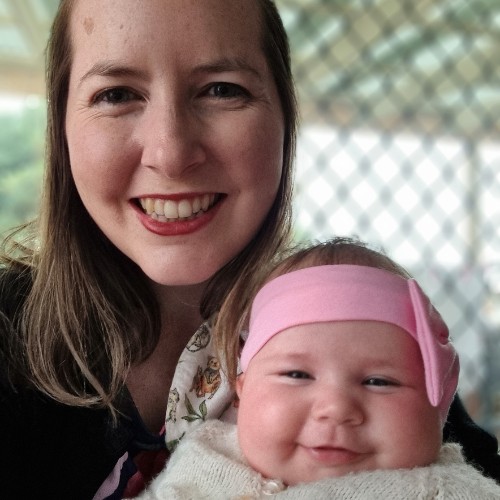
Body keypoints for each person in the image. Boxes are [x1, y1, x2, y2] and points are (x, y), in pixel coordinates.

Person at [0, 0, 496, 497]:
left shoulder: (359, 331)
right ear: (61, 126)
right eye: (116, 95)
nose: (171, 153)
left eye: (222, 90)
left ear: (285, 116)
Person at [137, 239, 500, 499]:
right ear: (242, 393)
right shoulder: (205, 459)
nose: (336, 408)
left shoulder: (446, 490)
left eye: (378, 381)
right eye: (297, 375)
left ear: (439, 407)